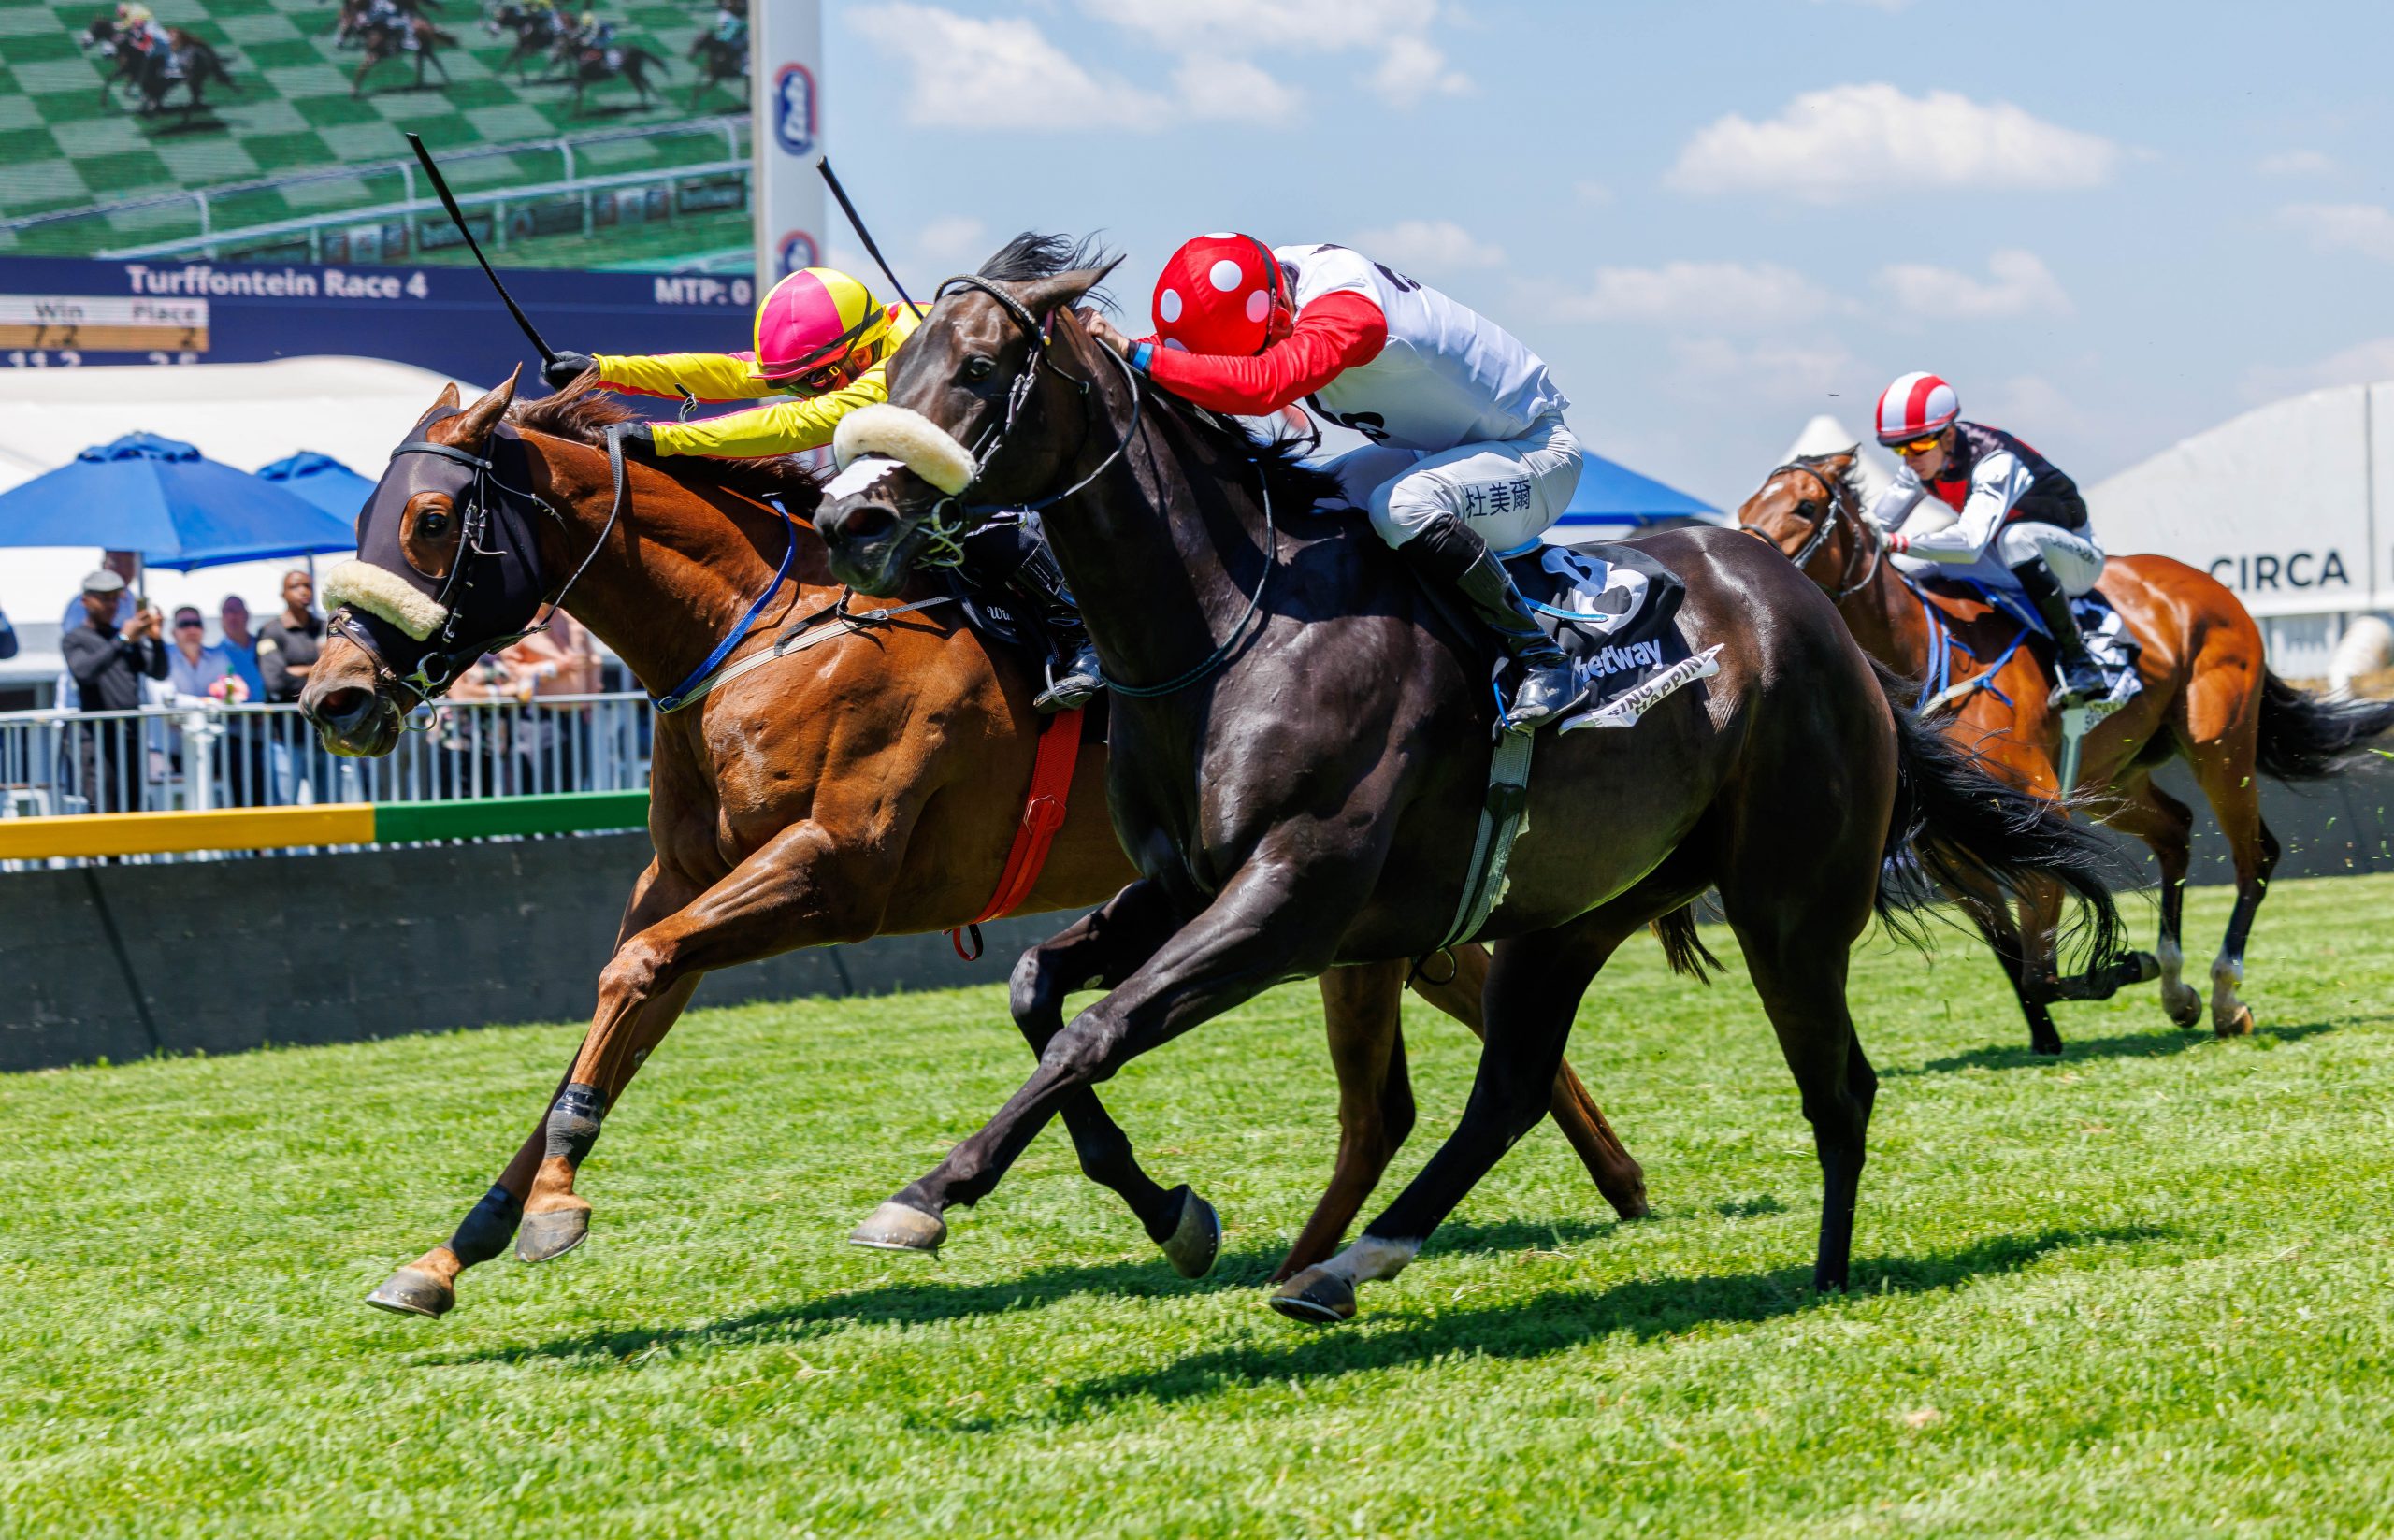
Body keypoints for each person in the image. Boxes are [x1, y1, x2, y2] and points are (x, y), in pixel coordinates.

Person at [543, 266, 1103, 710]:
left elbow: (803, 423)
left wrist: (668, 440)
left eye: (811, 379)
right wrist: (606, 368)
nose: (801, 392)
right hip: (939, 459)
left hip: (1031, 460)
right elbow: (735, 372)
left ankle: (1083, 631)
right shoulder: (852, 343)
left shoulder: (909, 351)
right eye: (796, 382)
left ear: (861, 352)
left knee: (982, 521)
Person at [1085, 236, 1583, 729]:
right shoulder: (1266, 283)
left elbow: (1262, 385)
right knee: (1305, 507)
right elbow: (1190, 355)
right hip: (1443, 450)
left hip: (1535, 454)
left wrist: (1134, 352)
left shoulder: (1349, 310)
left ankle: (1542, 660)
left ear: (1280, 315)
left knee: (1401, 508)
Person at [1866, 372, 2107, 707]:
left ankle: (2080, 661)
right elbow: (1873, 528)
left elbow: (1968, 543)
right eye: (1898, 449)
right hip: (2008, 557)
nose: (1909, 457)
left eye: (1918, 444)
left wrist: (1897, 541)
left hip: (2076, 561)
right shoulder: (1919, 466)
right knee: (1905, 566)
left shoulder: (1996, 461)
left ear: (1948, 434)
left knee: (2015, 538)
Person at [60, 569, 166, 813]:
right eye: (104, 598)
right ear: (86, 601)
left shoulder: (127, 637)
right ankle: (99, 854)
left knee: (132, 808)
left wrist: (157, 641)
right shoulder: (75, 639)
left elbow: (158, 672)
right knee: (103, 809)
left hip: (129, 736)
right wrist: (122, 639)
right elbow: (85, 673)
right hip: (96, 739)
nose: (111, 605)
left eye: (115, 598)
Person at [219, 594, 266, 703]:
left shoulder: (263, 645)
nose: (232, 616)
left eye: (236, 610)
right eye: (227, 611)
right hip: (235, 717)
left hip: (269, 713)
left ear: (247, 615)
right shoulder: (214, 654)